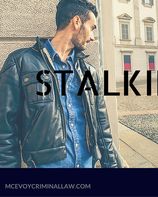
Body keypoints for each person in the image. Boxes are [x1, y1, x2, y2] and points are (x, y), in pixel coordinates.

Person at [0, 0, 127, 168]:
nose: (92, 37)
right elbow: (5, 131)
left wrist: (112, 166)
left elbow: (102, 128)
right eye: (92, 28)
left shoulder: (90, 73)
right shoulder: (21, 63)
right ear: (76, 22)